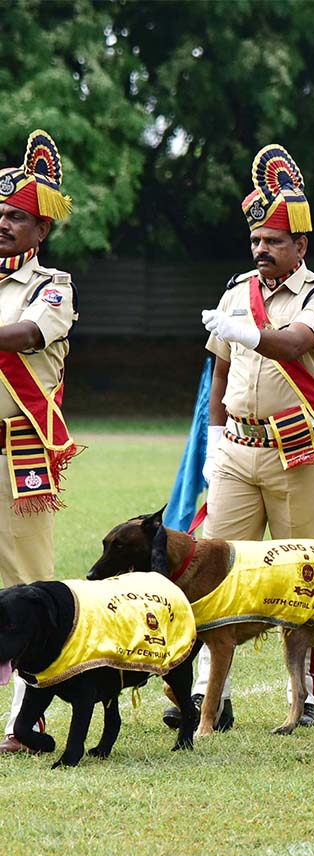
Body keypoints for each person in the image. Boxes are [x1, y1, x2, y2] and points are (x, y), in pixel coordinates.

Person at [187, 144, 314, 731]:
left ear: (300, 246)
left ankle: (303, 697)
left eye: (274, 240)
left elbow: (293, 344)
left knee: (300, 572)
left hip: (297, 449)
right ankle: (209, 693)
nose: (262, 250)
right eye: (256, 240)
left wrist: (246, 329)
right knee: (212, 568)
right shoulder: (237, 292)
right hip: (237, 447)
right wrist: (213, 440)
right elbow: (221, 371)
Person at [0, 131, 82, 755]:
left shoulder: (52, 285)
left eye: (17, 217)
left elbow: (27, 334)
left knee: (31, 587)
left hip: (19, 453)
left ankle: (30, 720)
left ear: (41, 231)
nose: (3, 224)